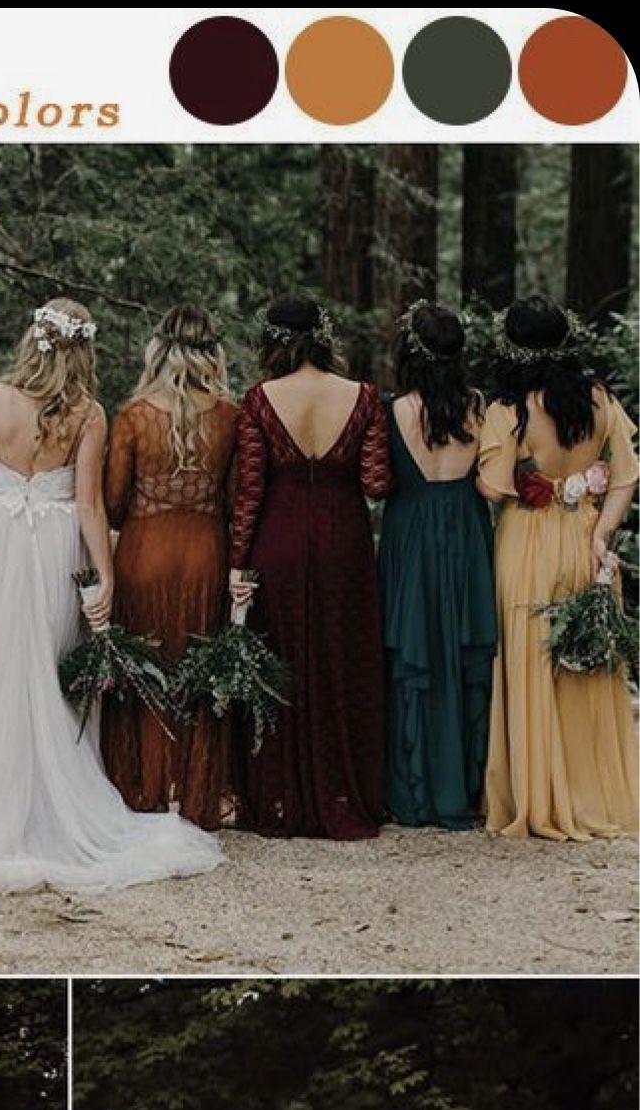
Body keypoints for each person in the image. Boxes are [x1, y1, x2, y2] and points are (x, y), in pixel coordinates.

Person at [0, 297, 223, 891]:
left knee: (0, 668)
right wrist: (106, 577)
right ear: (83, 349)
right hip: (53, 548)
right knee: (45, 666)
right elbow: (89, 505)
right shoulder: (88, 415)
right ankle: (41, 807)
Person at [230, 296, 393, 839]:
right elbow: (375, 484)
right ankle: (343, 790)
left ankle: (279, 797)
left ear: (272, 342)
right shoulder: (363, 396)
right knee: (342, 659)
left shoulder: (259, 400)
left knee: (283, 658)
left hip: (279, 536)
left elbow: (249, 492)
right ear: (325, 338)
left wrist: (237, 563)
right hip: (343, 538)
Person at [478, 296, 638, 840]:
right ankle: (593, 789)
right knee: (586, 665)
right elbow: (625, 476)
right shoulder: (598, 399)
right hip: (583, 539)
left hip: (526, 539)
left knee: (531, 662)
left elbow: (495, 489)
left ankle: (540, 796)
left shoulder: (508, 410)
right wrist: (600, 533)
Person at [102, 304, 237, 829]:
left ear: (157, 348)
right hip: (205, 551)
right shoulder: (230, 416)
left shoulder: (134, 415)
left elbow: (114, 504)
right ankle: (198, 795)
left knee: (146, 668)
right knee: (198, 670)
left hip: (144, 552)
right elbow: (232, 501)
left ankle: (143, 791)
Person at [378, 300, 496, 830]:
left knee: (416, 649)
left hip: (413, 531)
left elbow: (378, 482)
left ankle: (414, 786)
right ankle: (463, 786)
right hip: (465, 529)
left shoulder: (394, 409)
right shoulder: (479, 406)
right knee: (462, 649)